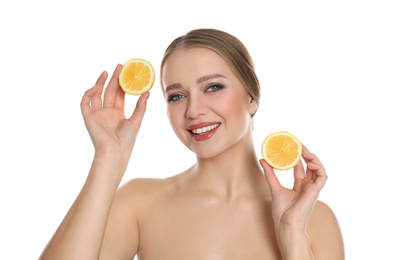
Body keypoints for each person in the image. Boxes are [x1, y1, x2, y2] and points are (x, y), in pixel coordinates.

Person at [40, 29, 344, 259]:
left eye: (213, 87)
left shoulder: (313, 220)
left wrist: (293, 237)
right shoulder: (141, 202)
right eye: (176, 95)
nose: (193, 110)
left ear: (251, 98)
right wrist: (109, 158)